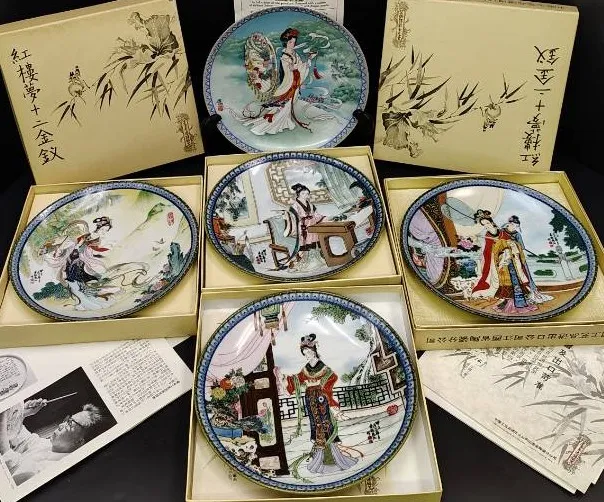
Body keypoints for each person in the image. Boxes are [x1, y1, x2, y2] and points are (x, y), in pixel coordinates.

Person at [274, 334, 357, 474]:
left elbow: (332, 376)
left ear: (314, 351)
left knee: (325, 423)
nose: (306, 355)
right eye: (304, 352)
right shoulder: (306, 368)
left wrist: (320, 384)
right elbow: (296, 380)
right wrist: (283, 378)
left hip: (321, 398)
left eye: (308, 351)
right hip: (310, 399)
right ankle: (320, 457)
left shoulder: (323, 367)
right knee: (315, 423)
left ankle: (331, 457)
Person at [238, 28, 333, 136]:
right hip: (289, 83)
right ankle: (276, 121)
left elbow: (301, 66)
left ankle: (283, 119)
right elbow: (289, 70)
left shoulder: (294, 53)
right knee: (286, 104)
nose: (293, 44)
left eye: (294, 42)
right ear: (286, 43)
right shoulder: (284, 56)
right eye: (290, 42)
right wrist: (295, 67)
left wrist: (310, 58)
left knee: (290, 104)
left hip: (295, 80)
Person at [0, 400, 105, 485]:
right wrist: (22, 414)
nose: (61, 425)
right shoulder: (50, 445)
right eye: (67, 419)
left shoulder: (54, 469)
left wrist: (3, 417)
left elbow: (12, 466)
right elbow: (23, 440)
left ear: (80, 441)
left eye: (70, 423)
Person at [471, 209, 537, 314]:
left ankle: (519, 302)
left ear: (491, 222)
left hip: (511, 260)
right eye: (484, 225)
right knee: (503, 282)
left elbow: (513, 243)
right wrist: (495, 248)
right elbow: (488, 250)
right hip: (500, 261)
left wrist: (509, 245)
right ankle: (507, 302)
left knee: (514, 280)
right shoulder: (487, 234)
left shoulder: (502, 231)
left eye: (487, 223)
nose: (486, 226)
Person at [503, 215, 553, 304]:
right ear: (509, 224)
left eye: (516, 226)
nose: (514, 227)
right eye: (513, 225)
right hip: (505, 257)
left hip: (517, 257)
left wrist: (514, 244)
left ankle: (530, 293)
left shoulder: (517, 234)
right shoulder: (502, 232)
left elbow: (521, 247)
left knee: (524, 274)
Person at [283, 183, 326, 272]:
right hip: (303, 226)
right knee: (307, 241)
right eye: (303, 193)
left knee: (315, 238)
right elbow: (294, 217)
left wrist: (322, 217)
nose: (305, 195)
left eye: (307, 194)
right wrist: (304, 219)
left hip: (312, 224)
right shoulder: (295, 205)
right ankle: (307, 260)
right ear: (298, 194)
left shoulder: (310, 204)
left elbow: (316, 214)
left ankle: (316, 258)